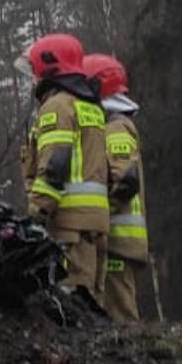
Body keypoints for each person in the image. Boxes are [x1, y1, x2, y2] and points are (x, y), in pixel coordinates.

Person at [20, 34, 111, 310]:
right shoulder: (91, 106)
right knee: (92, 300)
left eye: (34, 72)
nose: (33, 79)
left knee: (72, 304)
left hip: (69, 224)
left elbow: (55, 166)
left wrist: (36, 213)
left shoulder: (57, 107)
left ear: (50, 68)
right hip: (94, 224)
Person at [83, 53, 149, 322]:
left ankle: (135, 363)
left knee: (121, 317)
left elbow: (125, 181)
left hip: (117, 240)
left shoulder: (116, 128)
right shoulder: (112, 126)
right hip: (114, 239)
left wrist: (94, 217)